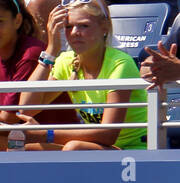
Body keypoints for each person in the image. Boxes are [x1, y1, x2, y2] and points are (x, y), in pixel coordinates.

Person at [18, 0, 146, 150]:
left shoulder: (121, 64)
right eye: (68, 27)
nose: (74, 32)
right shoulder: (66, 61)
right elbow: (26, 109)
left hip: (133, 150)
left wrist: (47, 134)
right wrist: (51, 50)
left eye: (84, 26)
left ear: (104, 28)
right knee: (21, 147)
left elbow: (108, 134)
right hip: (98, 148)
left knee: (74, 148)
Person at [0, 0, 73, 150]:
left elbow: (8, 121)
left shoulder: (31, 54)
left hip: (50, 144)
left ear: (17, 20)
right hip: (14, 138)